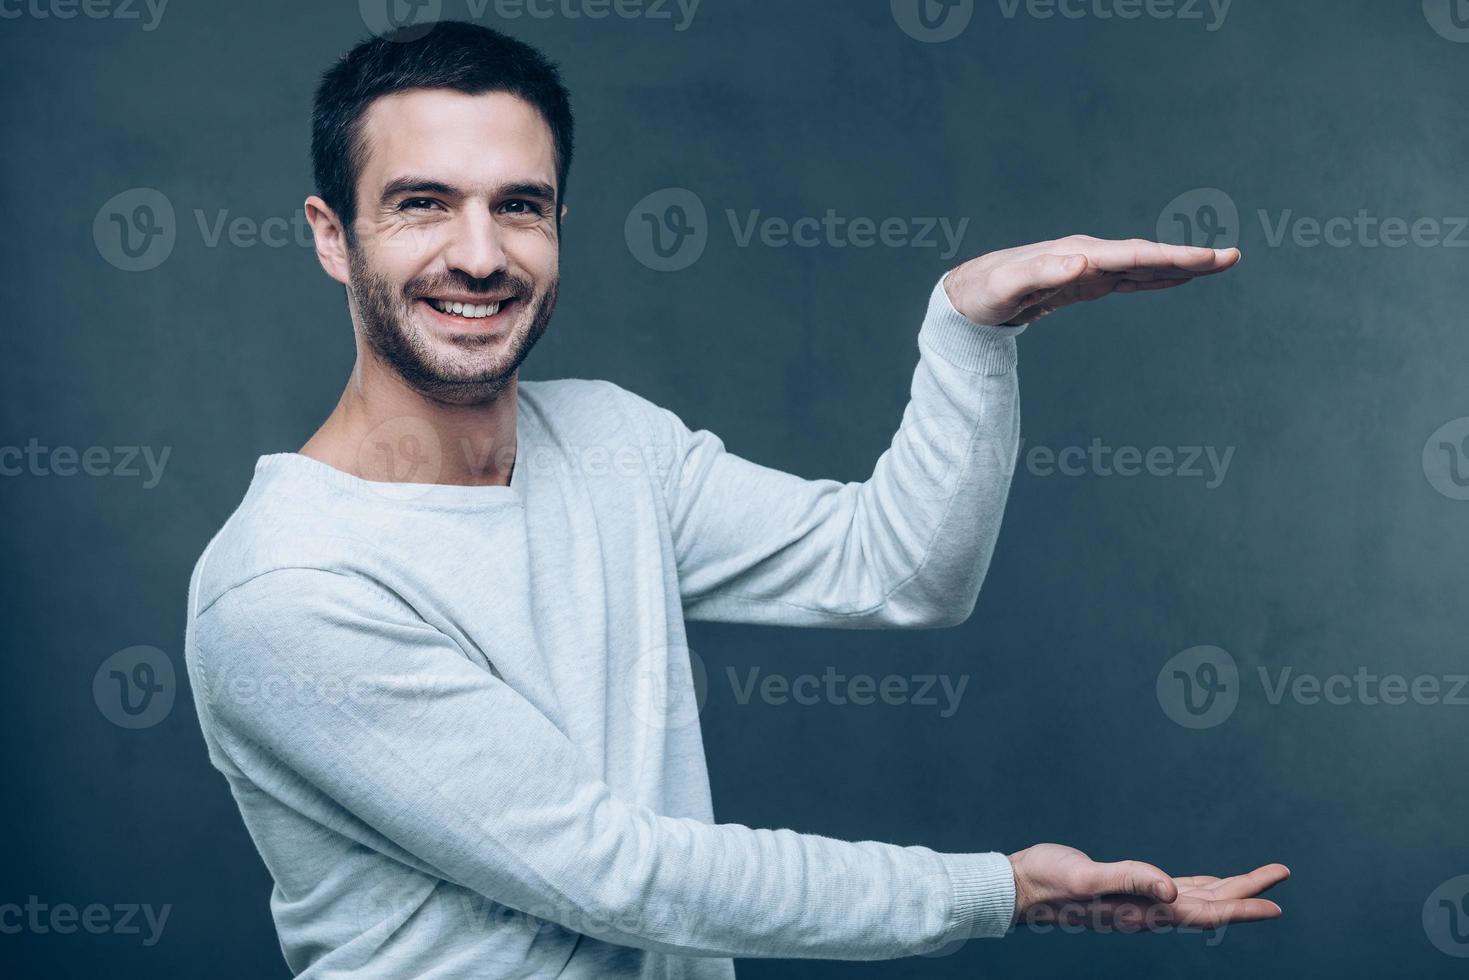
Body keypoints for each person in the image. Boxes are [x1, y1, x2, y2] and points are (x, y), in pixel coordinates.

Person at [182, 20, 1287, 979]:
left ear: (558, 221)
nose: (479, 255)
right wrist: (994, 888)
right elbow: (615, 872)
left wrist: (969, 329)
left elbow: (896, 573)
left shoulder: (609, 440)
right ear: (334, 236)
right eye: (422, 204)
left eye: (517, 206)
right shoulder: (286, 585)